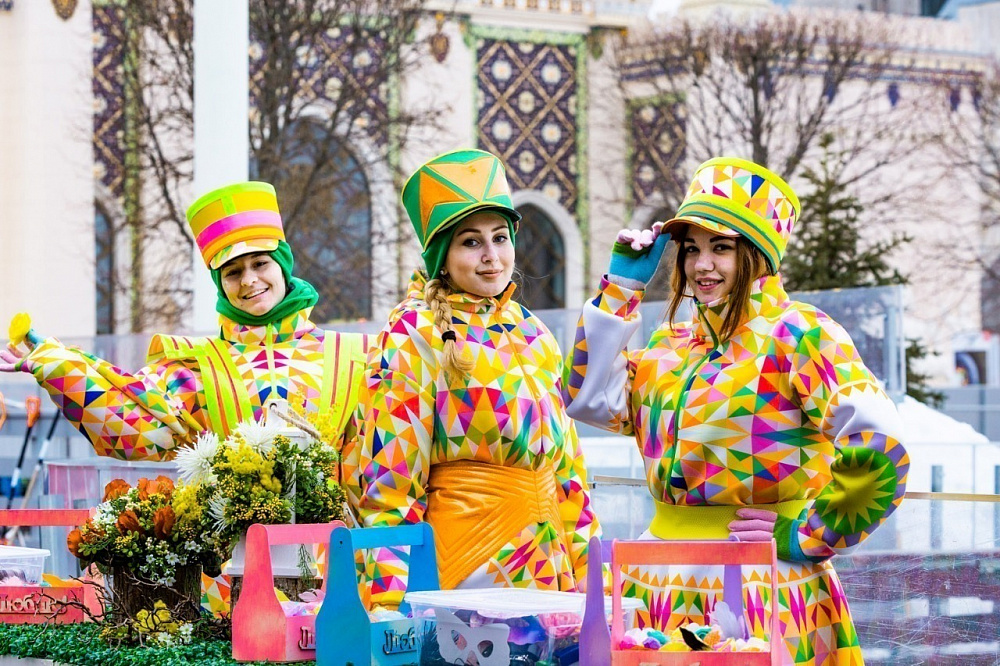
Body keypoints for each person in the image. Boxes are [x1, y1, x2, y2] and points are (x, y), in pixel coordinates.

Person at [565, 157, 908, 664]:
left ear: (757, 256)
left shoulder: (800, 332)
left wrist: (812, 534)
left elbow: (881, 444)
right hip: (660, 581)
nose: (702, 265)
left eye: (721, 248)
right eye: (692, 249)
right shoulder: (671, 343)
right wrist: (619, 290)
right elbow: (589, 399)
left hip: (762, 582)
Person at [346, 149, 601, 598]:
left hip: (550, 572)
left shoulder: (535, 333)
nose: (491, 256)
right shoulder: (413, 333)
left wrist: (591, 571)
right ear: (442, 256)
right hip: (463, 573)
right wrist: (390, 604)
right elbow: (389, 485)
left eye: (500, 237)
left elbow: (568, 472)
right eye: (471, 242)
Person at [1, 181, 368, 462]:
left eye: (260, 263)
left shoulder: (355, 356)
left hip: (336, 540)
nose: (249, 281)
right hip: (235, 542)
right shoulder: (197, 367)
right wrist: (57, 366)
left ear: (283, 265)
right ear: (221, 285)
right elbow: (134, 430)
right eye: (233, 272)